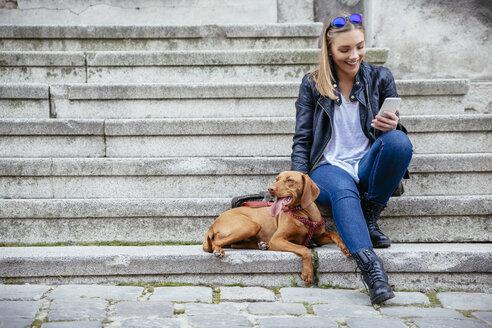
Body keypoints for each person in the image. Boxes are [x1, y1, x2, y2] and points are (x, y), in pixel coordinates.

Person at [291, 12, 413, 304]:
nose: (354, 55)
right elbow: (303, 137)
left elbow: (397, 132)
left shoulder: (380, 77)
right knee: (344, 190)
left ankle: (370, 213)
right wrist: (297, 183)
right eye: (345, 49)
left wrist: (395, 127)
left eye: (359, 46)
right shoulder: (312, 83)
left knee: (399, 142)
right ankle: (373, 272)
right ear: (329, 50)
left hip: (368, 162)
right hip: (329, 167)